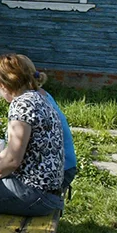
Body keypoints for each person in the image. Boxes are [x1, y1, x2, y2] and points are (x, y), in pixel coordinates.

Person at [0, 54, 65, 217]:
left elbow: (12, 161)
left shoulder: (21, 105)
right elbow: (13, 149)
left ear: (1, 84)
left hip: (36, 193)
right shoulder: (39, 97)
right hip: (49, 190)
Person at [25, 57, 78, 192]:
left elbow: (14, 157)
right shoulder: (43, 95)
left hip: (59, 171)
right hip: (64, 166)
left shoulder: (29, 103)